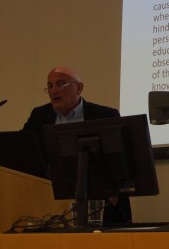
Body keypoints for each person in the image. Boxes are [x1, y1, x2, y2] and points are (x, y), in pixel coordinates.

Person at [22, 66, 132, 225]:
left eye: (61, 84)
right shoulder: (39, 116)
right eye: (50, 86)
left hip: (97, 205)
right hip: (48, 205)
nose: (54, 91)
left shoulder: (105, 115)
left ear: (79, 88)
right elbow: (24, 150)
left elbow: (122, 163)